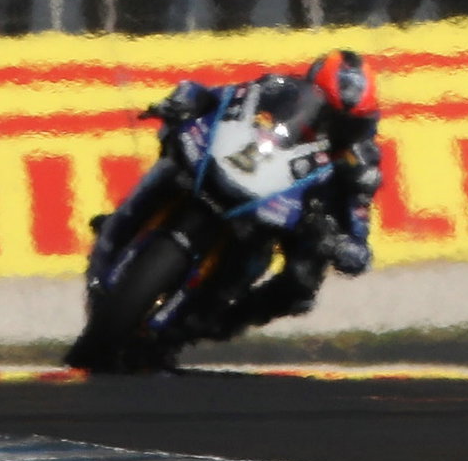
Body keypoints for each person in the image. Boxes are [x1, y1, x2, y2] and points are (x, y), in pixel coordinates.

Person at [81, 49, 381, 357]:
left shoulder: (360, 161)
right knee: (174, 160)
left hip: (299, 212)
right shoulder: (277, 89)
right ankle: (118, 228)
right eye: (323, 109)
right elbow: (223, 96)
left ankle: (208, 323)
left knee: (301, 284)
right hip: (247, 173)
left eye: (342, 122)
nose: (329, 124)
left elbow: (358, 218)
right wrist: (187, 99)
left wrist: (348, 245)